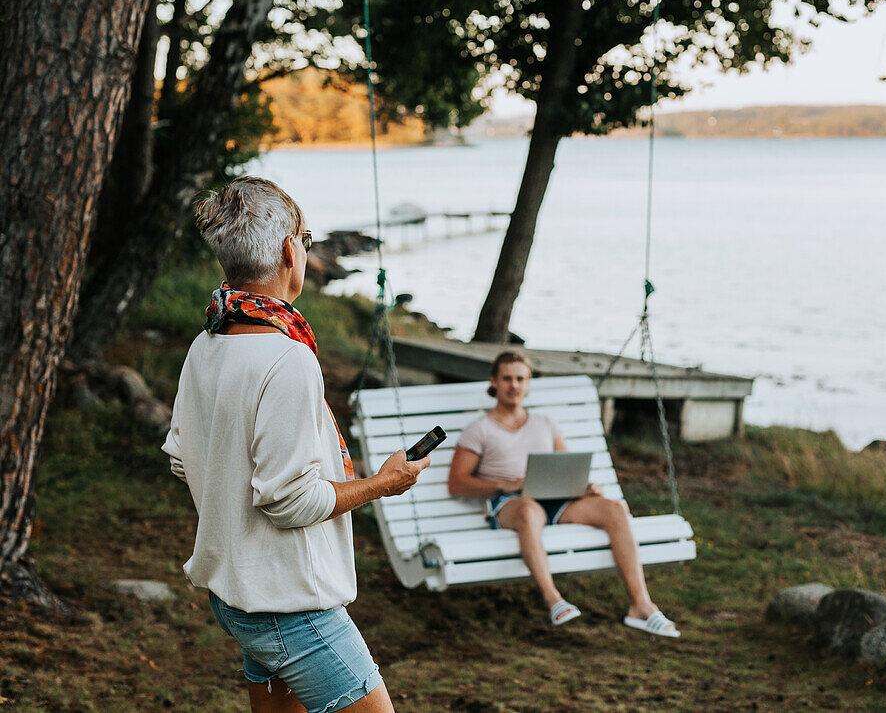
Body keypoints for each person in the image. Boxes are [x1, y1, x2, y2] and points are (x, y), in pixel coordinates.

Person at [161, 176, 430, 713]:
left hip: (238, 593)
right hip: (287, 603)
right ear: (290, 249)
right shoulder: (287, 358)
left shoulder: (208, 340)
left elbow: (180, 458)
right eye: (306, 239)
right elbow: (291, 500)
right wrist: (383, 483)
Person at [447, 351, 680, 637]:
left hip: (555, 499)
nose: (514, 385)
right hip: (510, 502)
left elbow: (566, 466)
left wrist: (586, 487)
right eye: (507, 378)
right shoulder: (479, 429)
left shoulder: (545, 423)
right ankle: (553, 599)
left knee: (614, 509)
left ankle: (641, 606)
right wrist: (503, 485)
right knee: (528, 510)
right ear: (494, 382)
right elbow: (457, 484)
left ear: (528, 383)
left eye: (521, 379)